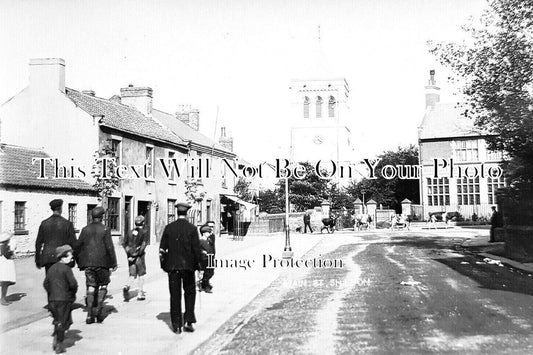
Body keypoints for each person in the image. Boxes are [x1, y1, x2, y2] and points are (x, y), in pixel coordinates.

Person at [159, 202, 202, 334]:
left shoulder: (169, 228)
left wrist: (165, 266)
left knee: (175, 295)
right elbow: (197, 250)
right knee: (189, 293)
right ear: (187, 213)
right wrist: (200, 267)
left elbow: (162, 250)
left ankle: (177, 325)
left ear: (177, 212)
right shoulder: (192, 229)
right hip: (188, 267)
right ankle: (188, 321)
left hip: (173, 268)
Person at [75, 206, 117, 324]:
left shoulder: (85, 229)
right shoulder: (105, 229)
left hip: (88, 264)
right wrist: (113, 262)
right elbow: (109, 247)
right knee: (103, 285)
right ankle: (98, 310)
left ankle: (89, 314)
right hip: (103, 264)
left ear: (92, 217)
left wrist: (79, 262)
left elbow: (78, 246)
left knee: (91, 287)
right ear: (102, 217)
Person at [43, 245, 77, 354]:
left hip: (52, 300)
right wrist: (72, 294)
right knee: (63, 321)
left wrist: (51, 292)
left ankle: (56, 335)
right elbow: (73, 284)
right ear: (63, 257)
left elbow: (46, 283)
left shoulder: (52, 268)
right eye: (70, 256)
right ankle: (59, 343)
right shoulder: (67, 269)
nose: (72, 258)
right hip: (64, 299)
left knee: (57, 319)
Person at [35, 199, 77, 273]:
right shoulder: (67, 224)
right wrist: (75, 257)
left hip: (48, 258)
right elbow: (73, 243)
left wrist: (38, 258)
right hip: (63, 256)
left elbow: (38, 242)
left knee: (50, 280)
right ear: (61, 209)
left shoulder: (44, 223)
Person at [122, 215, 149, 301]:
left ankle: (127, 286)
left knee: (132, 274)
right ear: (143, 223)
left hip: (130, 256)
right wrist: (137, 254)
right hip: (139, 257)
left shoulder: (130, 232)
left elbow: (124, 244)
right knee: (141, 274)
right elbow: (143, 244)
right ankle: (140, 294)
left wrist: (129, 254)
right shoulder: (144, 232)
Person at [0, 231, 16, 305]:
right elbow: (7, 255)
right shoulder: (3, 246)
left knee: (4, 283)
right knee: (4, 282)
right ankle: (2, 299)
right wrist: (11, 253)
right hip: (4, 266)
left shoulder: (5, 246)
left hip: (4, 265)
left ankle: (3, 298)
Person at [198, 225, 215, 293]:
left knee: (211, 272)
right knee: (206, 273)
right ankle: (206, 286)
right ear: (204, 233)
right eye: (208, 232)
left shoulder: (209, 240)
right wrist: (202, 252)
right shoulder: (201, 241)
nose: (210, 233)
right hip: (204, 259)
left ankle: (203, 283)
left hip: (210, 257)